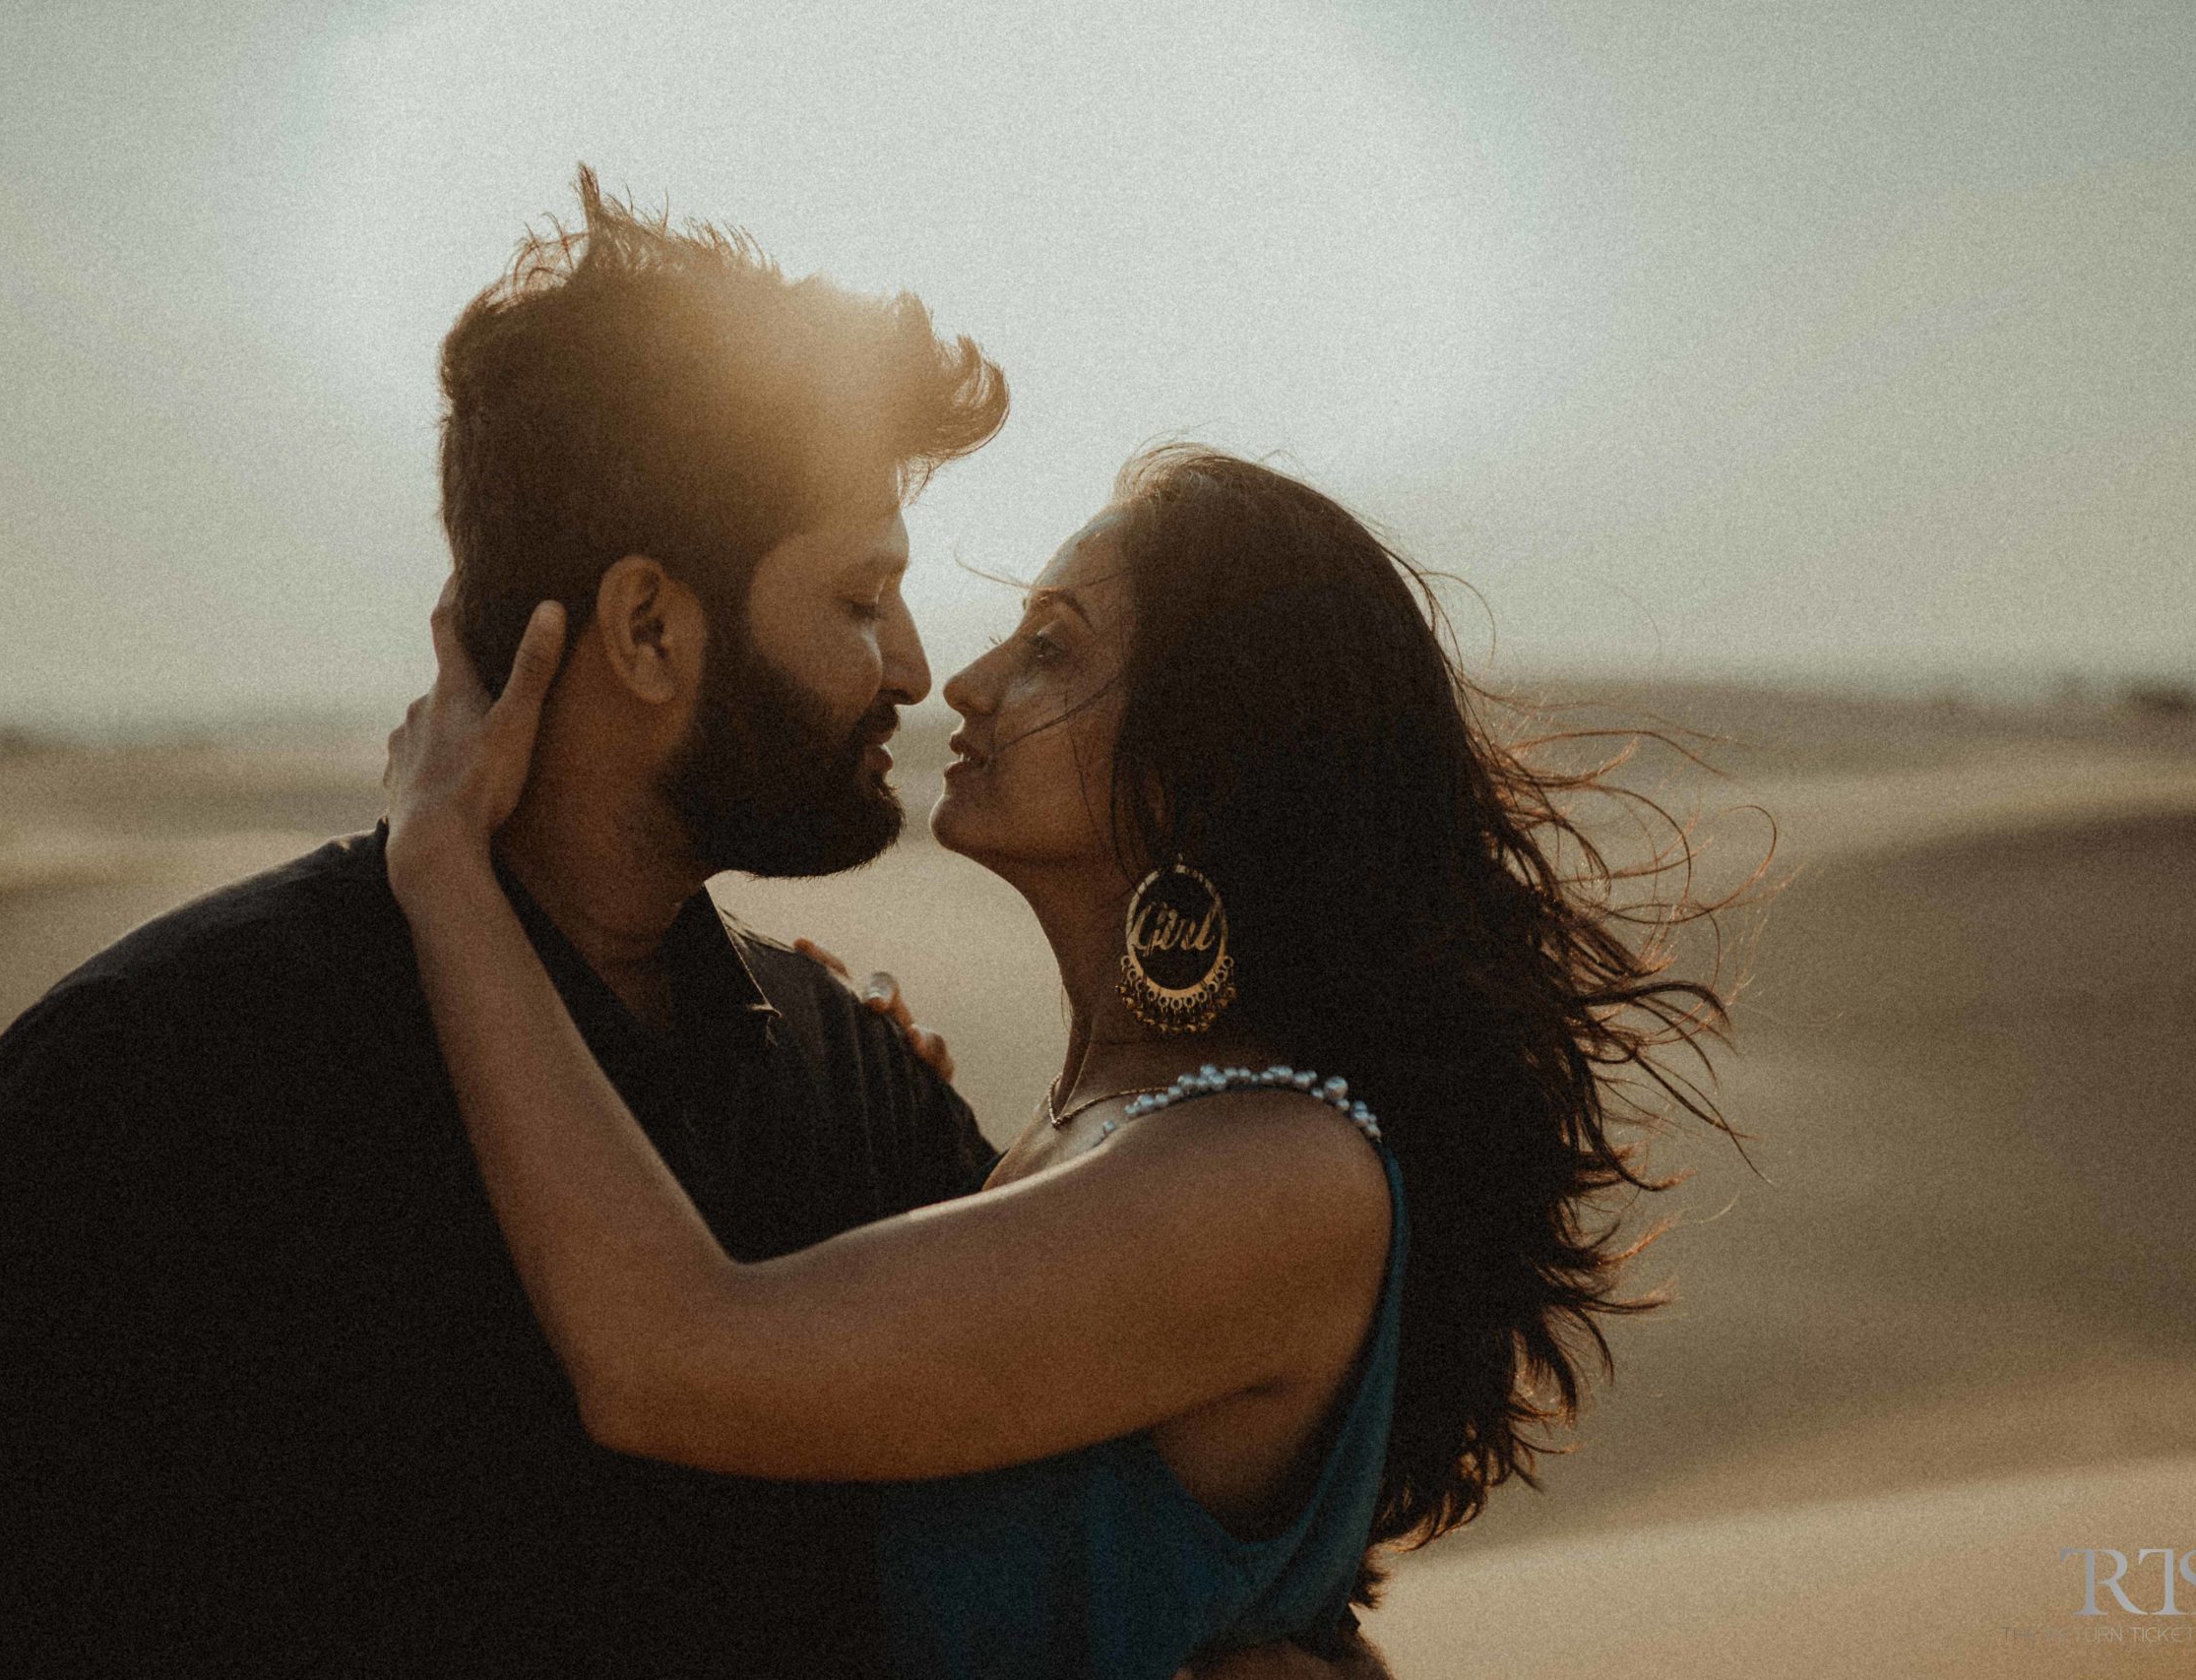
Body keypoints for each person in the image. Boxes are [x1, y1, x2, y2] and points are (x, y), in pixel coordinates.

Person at [379, 441, 1743, 1676]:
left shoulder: (1271, 1176)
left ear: (1199, 763)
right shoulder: (1126, 1126)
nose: (963, 681)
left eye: (1052, 647)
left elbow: (666, 1361)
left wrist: (443, 874)